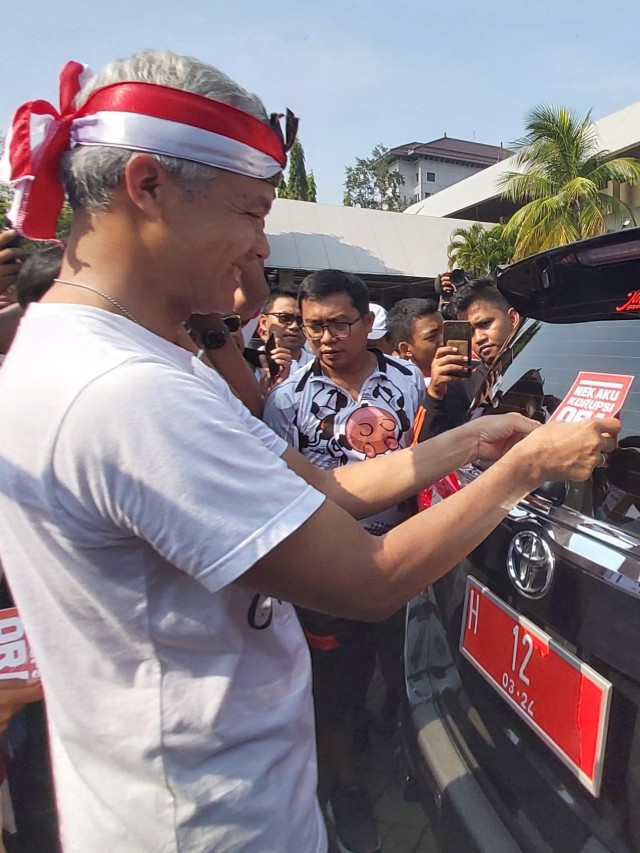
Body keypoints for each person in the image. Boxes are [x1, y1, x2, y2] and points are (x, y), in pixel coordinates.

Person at [0, 50, 619, 853]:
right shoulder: (128, 392)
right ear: (146, 186)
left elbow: (325, 491)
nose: (261, 244)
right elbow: (369, 578)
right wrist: (525, 468)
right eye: (252, 211)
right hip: (205, 821)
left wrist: (466, 441)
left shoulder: (86, 356)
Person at [264, 270, 424, 853]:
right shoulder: (286, 400)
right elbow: (282, 489)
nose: (326, 338)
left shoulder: (411, 382)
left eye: (338, 324)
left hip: (405, 560)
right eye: (313, 327)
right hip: (326, 576)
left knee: (410, 674)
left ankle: (423, 766)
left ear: (366, 320)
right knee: (334, 691)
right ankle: (347, 788)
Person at [388, 297, 470, 440]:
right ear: (406, 348)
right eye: (432, 337)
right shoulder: (397, 392)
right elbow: (418, 447)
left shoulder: (471, 372)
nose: (443, 340)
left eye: (445, 330)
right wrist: (434, 394)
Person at [256, 285, 313, 373]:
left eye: (301, 320)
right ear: (263, 322)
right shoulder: (246, 367)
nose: (295, 326)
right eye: (285, 318)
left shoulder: (323, 369)